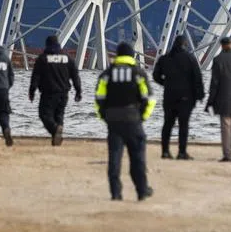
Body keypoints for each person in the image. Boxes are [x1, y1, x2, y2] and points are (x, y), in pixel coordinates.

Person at [94, 42, 155, 201]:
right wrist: (142, 116)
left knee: (114, 157)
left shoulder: (107, 74)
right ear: (132, 55)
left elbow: (99, 98)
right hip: (133, 118)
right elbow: (149, 98)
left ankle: (115, 193)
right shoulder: (138, 73)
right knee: (137, 157)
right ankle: (142, 190)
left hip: (113, 120)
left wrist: (104, 117)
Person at [152, 35, 205, 160]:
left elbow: (155, 75)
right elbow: (197, 78)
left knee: (167, 124)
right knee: (183, 125)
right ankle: (182, 152)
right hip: (186, 97)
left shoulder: (164, 59)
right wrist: (200, 95)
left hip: (169, 96)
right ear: (184, 44)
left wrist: (165, 83)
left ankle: (165, 151)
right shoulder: (190, 58)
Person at [29, 35, 82, 146]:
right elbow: (75, 76)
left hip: (48, 93)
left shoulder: (42, 59)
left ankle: (55, 129)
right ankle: (57, 138)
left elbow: (36, 77)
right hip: (64, 93)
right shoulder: (68, 58)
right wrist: (78, 91)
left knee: (44, 115)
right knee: (59, 115)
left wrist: (32, 91)